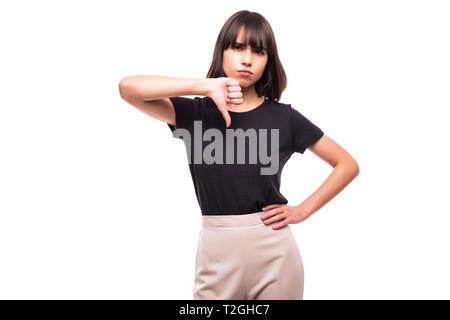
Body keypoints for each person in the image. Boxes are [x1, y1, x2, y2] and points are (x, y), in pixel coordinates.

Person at [118, 10, 359, 300]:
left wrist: (303, 210)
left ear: (268, 61)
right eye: (237, 47)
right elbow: (128, 88)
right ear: (221, 52)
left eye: (258, 51)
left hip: (274, 249)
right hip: (216, 249)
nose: (247, 59)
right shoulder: (195, 114)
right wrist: (205, 86)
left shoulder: (285, 118)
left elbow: (346, 164)